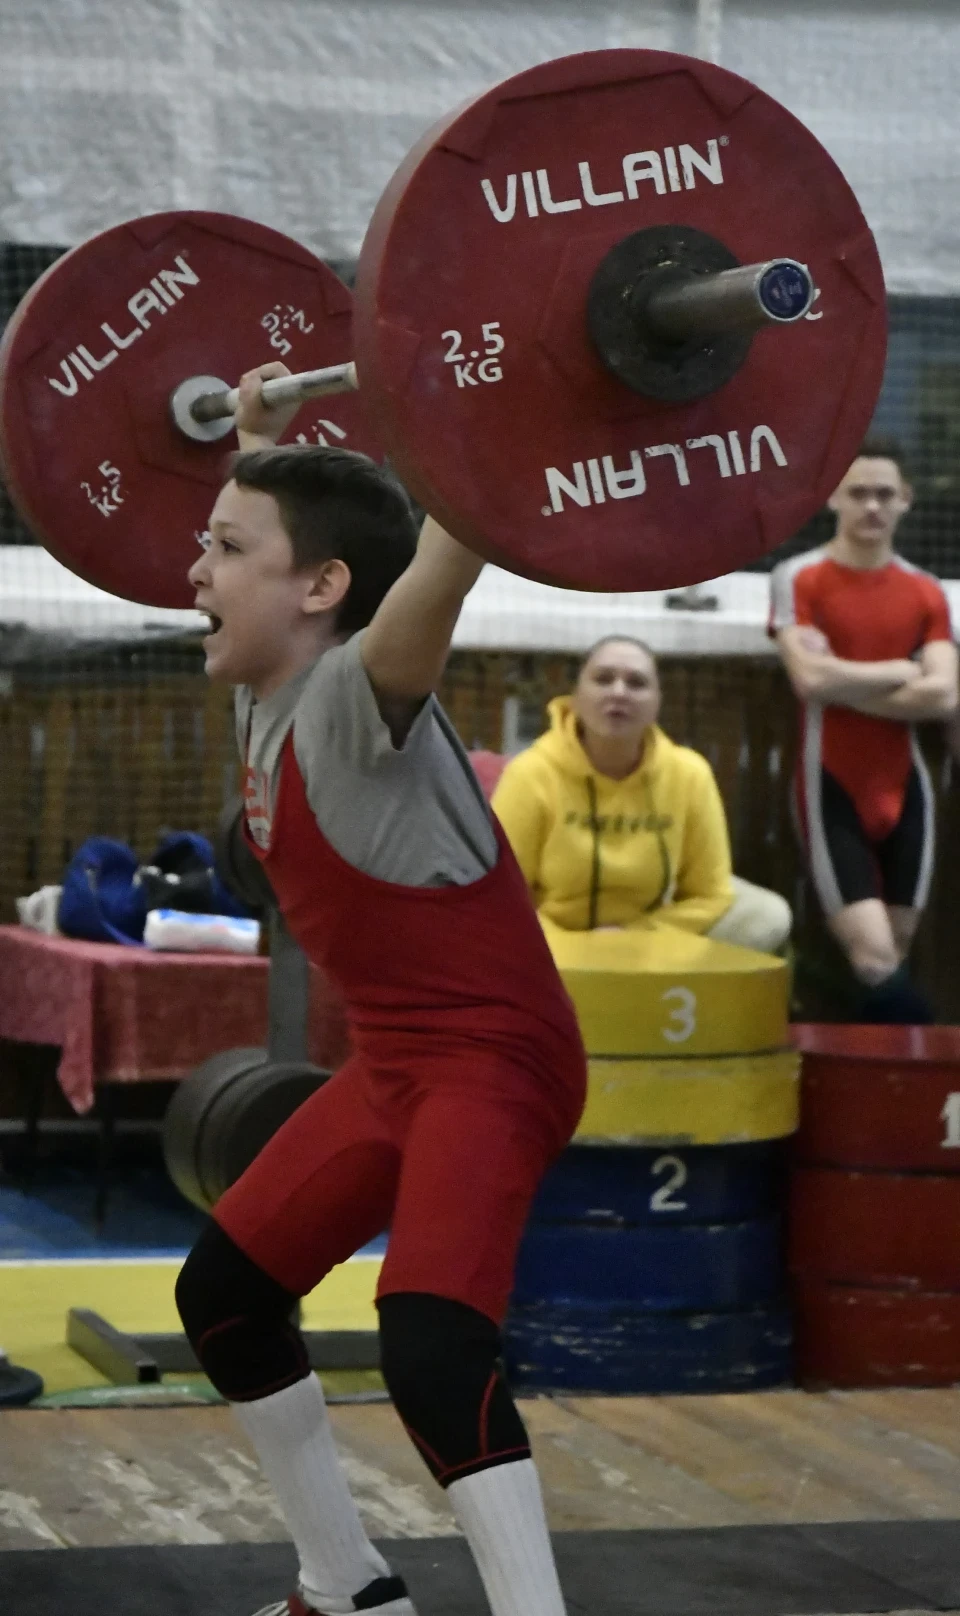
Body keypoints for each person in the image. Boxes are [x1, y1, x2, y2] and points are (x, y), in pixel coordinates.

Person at [173, 363, 587, 1616]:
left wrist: (511, 412)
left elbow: (445, 560)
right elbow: (257, 545)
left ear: (325, 588)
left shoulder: (358, 691)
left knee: (431, 1337)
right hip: (398, 1066)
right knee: (228, 1295)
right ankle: (345, 1585)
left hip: (496, 1060)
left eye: (225, 547)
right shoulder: (262, 676)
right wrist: (254, 443)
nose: (195, 568)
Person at [770, 437, 958, 1023]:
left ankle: (878, 1096)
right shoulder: (800, 577)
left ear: (905, 501)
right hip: (829, 785)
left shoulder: (925, 591)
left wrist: (843, 680)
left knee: (893, 952)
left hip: (908, 791)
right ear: (833, 498)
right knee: (874, 955)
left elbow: (944, 694)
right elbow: (808, 682)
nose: (871, 506)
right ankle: (938, 1064)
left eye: (884, 494)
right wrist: (900, 671)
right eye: (858, 493)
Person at [491, 636, 791, 955]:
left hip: (651, 937)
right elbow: (501, 896)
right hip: (553, 944)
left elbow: (710, 893)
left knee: (766, 916)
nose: (619, 692)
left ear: (657, 703)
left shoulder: (689, 774)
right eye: (603, 679)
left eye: (636, 683)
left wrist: (632, 937)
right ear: (577, 697)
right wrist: (575, 946)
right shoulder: (531, 773)